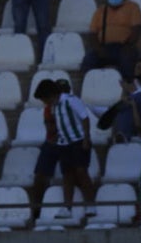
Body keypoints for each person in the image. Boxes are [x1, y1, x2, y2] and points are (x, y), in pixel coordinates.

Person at [38, 79, 97, 219]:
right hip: (63, 143)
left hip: (78, 141)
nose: (45, 103)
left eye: (45, 99)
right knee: (67, 175)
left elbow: (85, 118)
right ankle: (67, 207)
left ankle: (90, 205)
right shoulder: (54, 106)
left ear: (51, 94)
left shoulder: (71, 100)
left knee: (81, 172)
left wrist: (86, 138)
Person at [81, 0, 141, 82]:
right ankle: (90, 87)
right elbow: (92, 34)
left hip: (125, 47)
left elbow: (136, 30)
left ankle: (129, 89)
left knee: (127, 59)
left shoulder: (133, 7)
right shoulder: (100, 11)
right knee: (88, 61)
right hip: (104, 47)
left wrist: (127, 46)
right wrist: (99, 49)